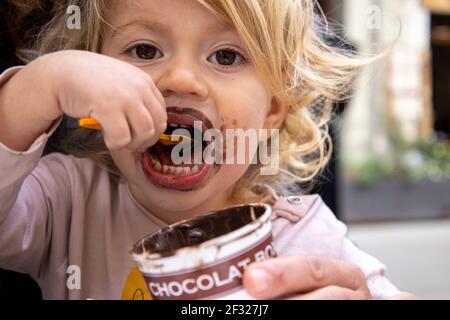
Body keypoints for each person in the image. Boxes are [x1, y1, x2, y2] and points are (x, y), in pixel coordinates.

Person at [0, 0, 413, 300]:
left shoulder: (304, 237)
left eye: (226, 56)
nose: (181, 79)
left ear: (271, 108)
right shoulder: (65, 201)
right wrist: (43, 84)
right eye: (144, 50)